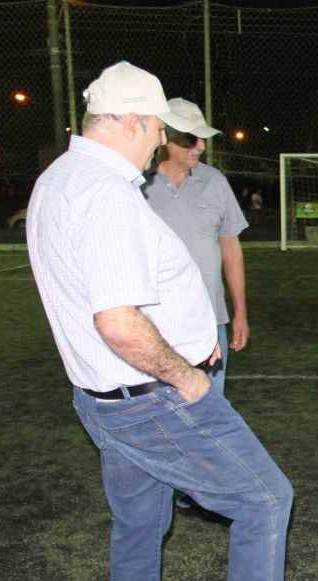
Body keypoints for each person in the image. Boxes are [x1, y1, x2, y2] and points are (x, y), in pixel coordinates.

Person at [27, 61, 318, 581]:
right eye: (156, 128)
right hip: (150, 398)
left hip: (105, 399)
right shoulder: (103, 193)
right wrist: (187, 377)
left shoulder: (61, 179)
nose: (160, 141)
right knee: (265, 499)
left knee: (137, 527)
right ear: (131, 121)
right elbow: (118, 322)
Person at [142, 98, 248, 398]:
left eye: (201, 138)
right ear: (164, 137)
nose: (200, 145)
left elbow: (231, 248)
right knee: (157, 414)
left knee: (209, 410)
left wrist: (239, 312)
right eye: (191, 137)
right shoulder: (136, 185)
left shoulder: (215, 182)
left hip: (209, 323)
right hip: (152, 327)